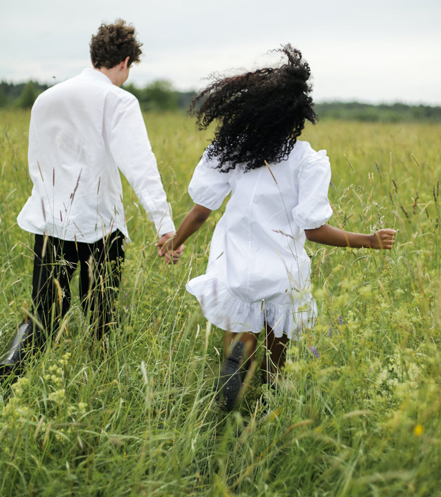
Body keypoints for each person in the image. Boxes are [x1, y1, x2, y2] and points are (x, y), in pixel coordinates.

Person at [159, 45, 396, 411]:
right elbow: (314, 229)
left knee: (239, 340)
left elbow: (202, 211)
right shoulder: (305, 160)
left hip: (237, 269)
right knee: (276, 361)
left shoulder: (236, 156)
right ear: (295, 116)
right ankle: (268, 405)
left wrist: (175, 241)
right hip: (283, 275)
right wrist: (367, 240)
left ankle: (232, 385)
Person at [0, 20, 181, 376]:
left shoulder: (45, 99)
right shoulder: (119, 101)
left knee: (44, 313)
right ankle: (100, 379)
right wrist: (164, 225)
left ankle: (10, 369)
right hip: (100, 225)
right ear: (125, 62)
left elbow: (37, 160)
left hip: (51, 220)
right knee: (102, 315)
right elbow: (141, 167)